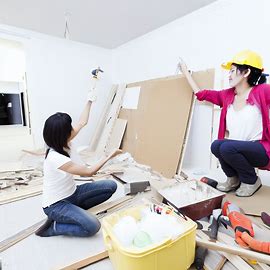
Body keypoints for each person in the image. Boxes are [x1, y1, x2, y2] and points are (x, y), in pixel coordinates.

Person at [179, 50, 270, 197]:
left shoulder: (263, 91)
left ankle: (251, 180)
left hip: (259, 150)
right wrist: (185, 72)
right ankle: (233, 179)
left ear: (246, 72)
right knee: (217, 145)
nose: (229, 75)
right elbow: (201, 94)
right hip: (235, 149)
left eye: (233, 71)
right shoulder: (226, 95)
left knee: (227, 147)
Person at [35, 88, 122, 237]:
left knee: (111, 186)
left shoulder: (61, 141)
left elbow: (82, 122)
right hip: (56, 205)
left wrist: (89, 100)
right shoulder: (56, 157)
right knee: (93, 226)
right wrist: (109, 156)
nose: (72, 130)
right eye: (69, 128)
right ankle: (54, 227)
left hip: (72, 194)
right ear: (63, 134)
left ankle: (75, 212)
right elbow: (89, 172)